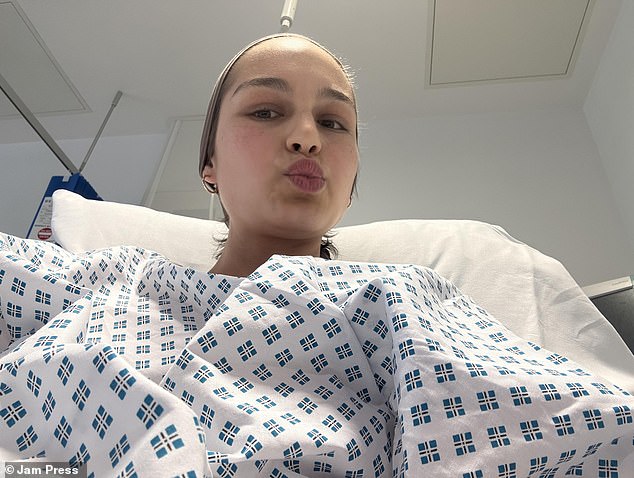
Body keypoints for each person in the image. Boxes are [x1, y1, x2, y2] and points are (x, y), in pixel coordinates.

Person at [198, 33, 359, 277]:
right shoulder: (139, 288)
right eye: (265, 113)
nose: (307, 139)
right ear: (210, 163)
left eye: (331, 123)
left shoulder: (403, 293)